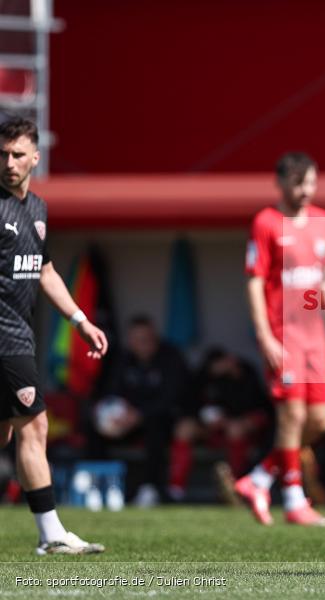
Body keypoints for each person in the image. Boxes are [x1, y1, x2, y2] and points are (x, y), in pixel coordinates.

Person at [0, 117, 109, 554]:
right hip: (5, 341)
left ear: (36, 157)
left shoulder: (38, 210)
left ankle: (52, 536)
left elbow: (44, 271)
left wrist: (80, 320)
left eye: (18, 155)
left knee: (8, 436)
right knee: (35, 426)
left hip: (20, 336)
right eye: (3, 155)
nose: (9, 163)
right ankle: (52, 536)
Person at [233, 152, 325, 527]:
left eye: (311, 183)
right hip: (284, 335)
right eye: (299, 184)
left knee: (320, 422)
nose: (306, 191)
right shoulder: (266, 222)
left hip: (316, 338)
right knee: (293, 414)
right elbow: (254, 282)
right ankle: (295, 500)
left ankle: (260, 477)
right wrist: (265, 336)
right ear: (281, 183)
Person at [89, 315, 189, 506]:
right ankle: (99, 485)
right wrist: (119, 412)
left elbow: (171, 398)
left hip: (159, 419)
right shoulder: (123, 360)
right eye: (138, 340)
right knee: (94, 427)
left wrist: (140, 414)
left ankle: (150, 488)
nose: (144, 344)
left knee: (155, 427)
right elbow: (110, 391)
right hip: (127, 421)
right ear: (131, 341)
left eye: (147, 339)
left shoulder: (171, 358)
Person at [168, 348, 270, 501]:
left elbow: (260, 409)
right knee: (184, 428)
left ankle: (236, 485)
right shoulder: (206, 376)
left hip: (240, 430)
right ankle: (175, 488)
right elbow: (190, 404)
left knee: (235, 429)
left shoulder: (246, 373)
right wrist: (204, 417)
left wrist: (229, 420)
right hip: (212, 430)